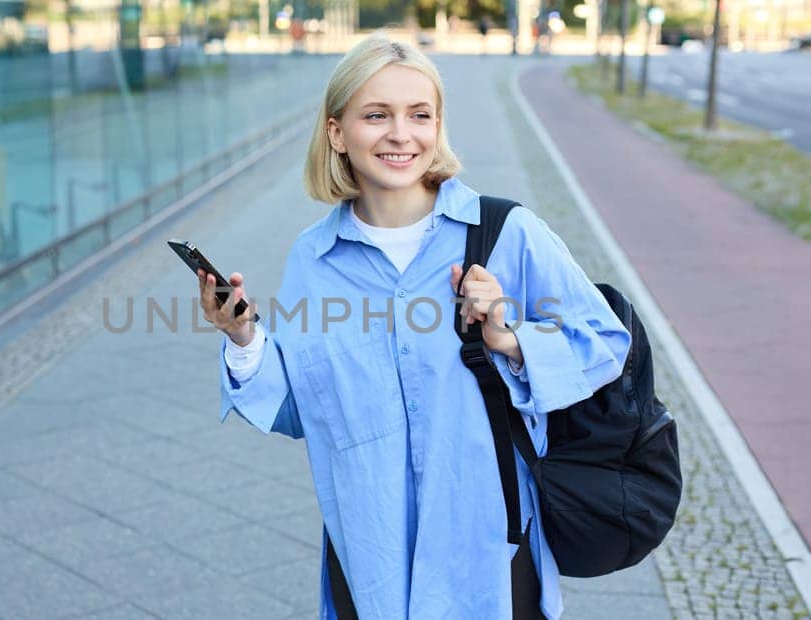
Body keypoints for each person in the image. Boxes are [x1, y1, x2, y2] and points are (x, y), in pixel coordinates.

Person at [195, 33, 631, 619]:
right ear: (336, 132)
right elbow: (306, 410)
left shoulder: (506, 233)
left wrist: (509, 336)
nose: (402, 134)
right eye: (377, 115)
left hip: (488, 556)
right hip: (370, 559)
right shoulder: (314, 259)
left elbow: (605, 343)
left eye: (419, 115)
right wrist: (245, 339)